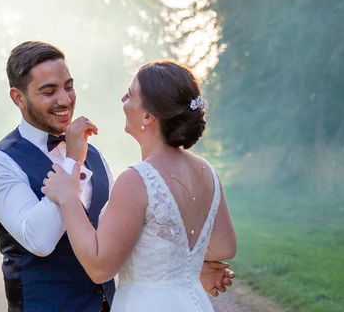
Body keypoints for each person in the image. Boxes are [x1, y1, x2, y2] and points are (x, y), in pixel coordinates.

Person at [0, 42, 234, 312]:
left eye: (68, 86)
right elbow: (39, 241)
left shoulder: (95, 155)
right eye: (49, 91)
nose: (65, 100)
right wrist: (71, 162)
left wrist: (186, 266)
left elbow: (127, 233)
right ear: (18, 98)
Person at [43, 60, 237, 311]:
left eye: (131, 94)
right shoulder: (207, 172)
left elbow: (100, 268)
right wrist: (184, 265)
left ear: (147, 115)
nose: (123, 99)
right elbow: (225, 246)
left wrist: (68, 196)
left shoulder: (137, 179)